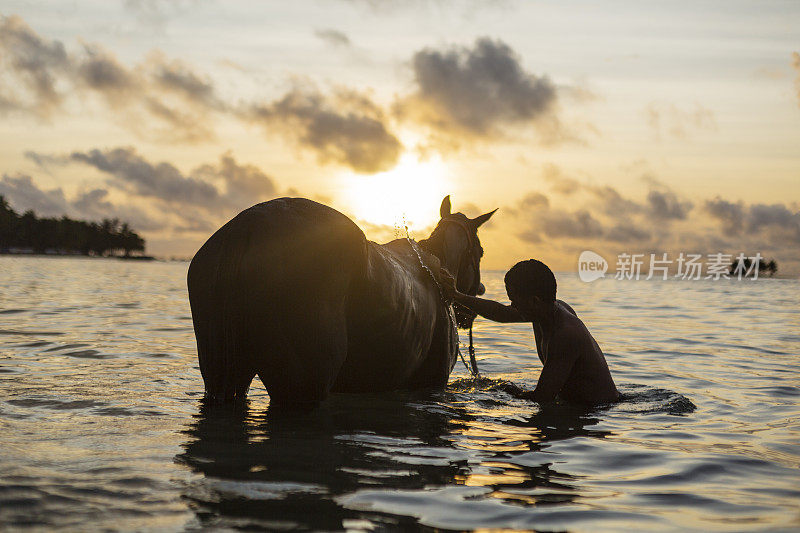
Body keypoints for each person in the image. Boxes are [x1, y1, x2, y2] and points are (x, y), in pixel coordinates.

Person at [442, 259, 619, 405]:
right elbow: (501, 313)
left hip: (593, 412)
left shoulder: (565, 335)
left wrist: (499, 392)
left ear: (534, 301)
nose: (512, 306)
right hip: (577, 407)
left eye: (514, 300)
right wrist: (456, 295)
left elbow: (541, 399)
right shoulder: (546, 311)